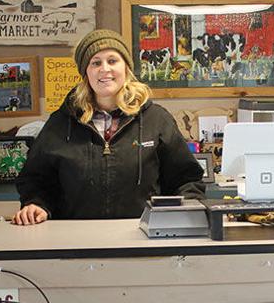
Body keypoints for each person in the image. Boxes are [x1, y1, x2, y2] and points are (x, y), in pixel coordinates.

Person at [13, 29, 204, 225]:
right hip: (75, 241)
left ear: (126, 68)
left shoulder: (157, 120)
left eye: (112, 61)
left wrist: (184, 213)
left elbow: (186, 180)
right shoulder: (61, 122)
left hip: (142, 238)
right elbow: (35, 179)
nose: (105, 69)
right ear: (86, 72)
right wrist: (36, 203)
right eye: (96, 63)